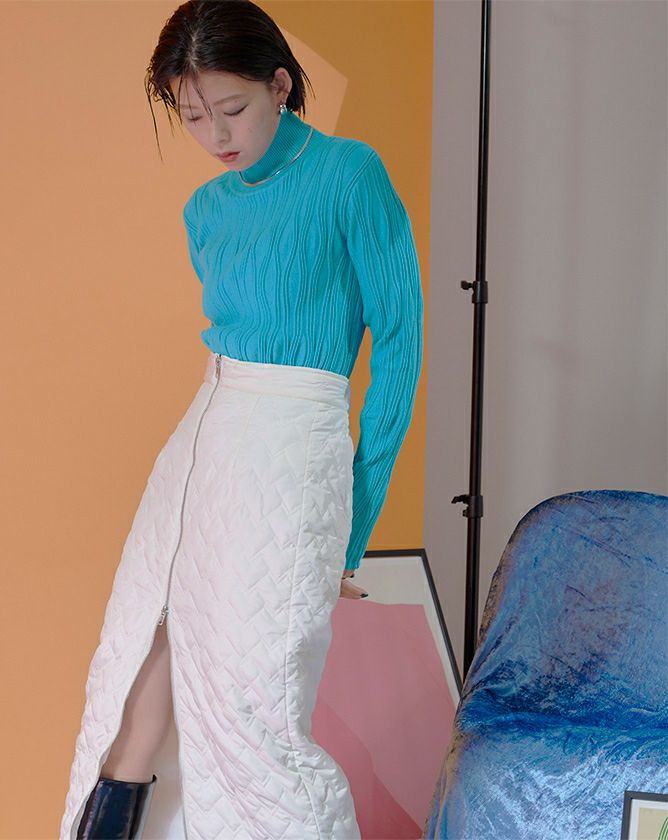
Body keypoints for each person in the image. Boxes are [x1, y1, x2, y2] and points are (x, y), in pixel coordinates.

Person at [60, 0, 423, 837]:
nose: (216, 135)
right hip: (203, 440)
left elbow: (400, 352)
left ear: (280, 85)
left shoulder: (350, 175)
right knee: (140, 652)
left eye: (233, 108)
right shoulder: (206, 210)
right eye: (192, 117)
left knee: (253, 704)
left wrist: (351, 528)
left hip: (291, 444)